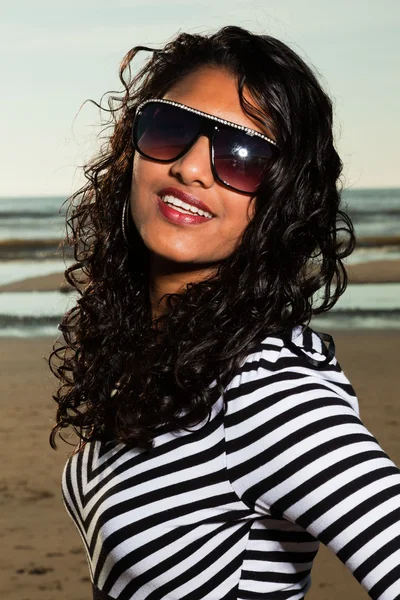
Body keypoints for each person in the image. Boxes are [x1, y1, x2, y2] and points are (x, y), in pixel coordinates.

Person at [49, 26, 400, 600]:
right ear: (130, 151)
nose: (191, 167)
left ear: (281, 200)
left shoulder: (264, 389)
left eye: (242, 157)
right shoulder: (171, 353)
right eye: (170, 129)